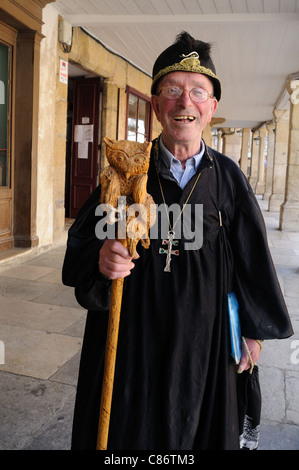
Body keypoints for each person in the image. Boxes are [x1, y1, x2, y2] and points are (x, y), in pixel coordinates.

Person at [62, 32, 293, 450]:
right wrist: (101, 258)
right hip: (134, 340)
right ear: (155, 104)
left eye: (197, 92)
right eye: (172, 90)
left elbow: (252, 259)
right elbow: (81, 246)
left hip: (203, 345)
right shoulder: (125, 173)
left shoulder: (227, 178)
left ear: (211, 108)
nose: (185, 102)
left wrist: (253, 332)